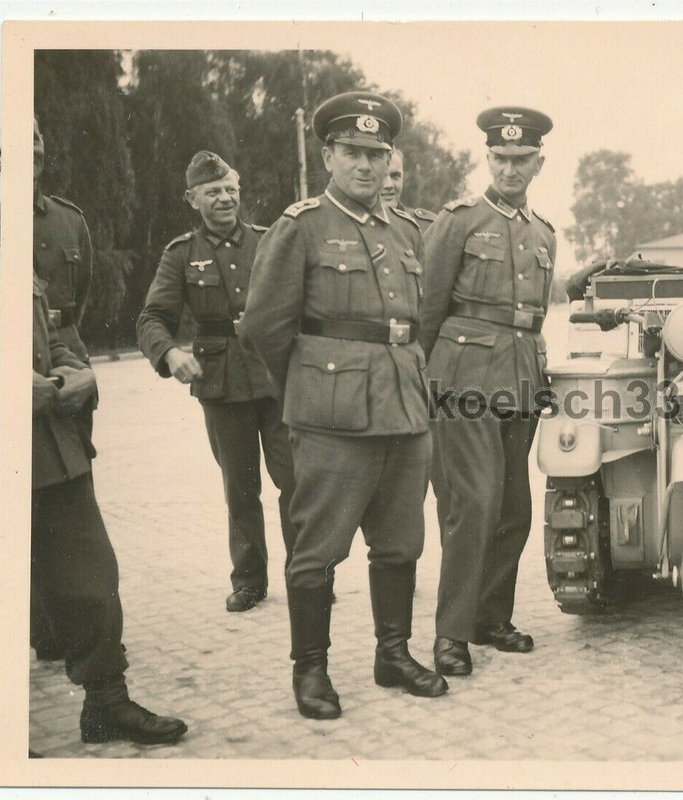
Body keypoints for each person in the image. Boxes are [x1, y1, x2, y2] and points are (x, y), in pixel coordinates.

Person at [241, 91, 448, 719]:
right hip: (331, 419)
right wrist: (312, 389)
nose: (366, 165)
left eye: (377, 153)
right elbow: (263, 331)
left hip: (404, 411)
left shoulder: (406, 230)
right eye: (353, 152)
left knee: (401, 542)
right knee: (318, 549)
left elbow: (418, 323)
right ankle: (311, 672)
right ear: (328, 154)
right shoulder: (300, 226)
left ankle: (393, 653)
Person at [421, 106, 556, 677]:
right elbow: (426, 307)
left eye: (521, 159)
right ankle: (450, 634)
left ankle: (490, 618)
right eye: (500, 157)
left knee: (513, 507)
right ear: (488, 158)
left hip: (522, 372)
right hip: (463, 375)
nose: (509, 167)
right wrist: (419, 381)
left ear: (538, 163)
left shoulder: (543, 231)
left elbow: (535, 312)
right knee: (472, 503)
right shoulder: (458, 220)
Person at [33, 264, 188, 746]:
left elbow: (47, 336)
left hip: (49, 446)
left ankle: (106, 703)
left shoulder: (9, 241)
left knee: (91, 574)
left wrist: (78, 371)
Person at [137, 151, 297, 613]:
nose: (225, 198)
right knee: (240, 487)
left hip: (276, 378)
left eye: (230, 189)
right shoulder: (182, 254)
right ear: (192, 199)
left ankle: (308, 574)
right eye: (213, 192)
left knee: (296, 482)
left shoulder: (271, 241)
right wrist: (169, 352)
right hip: (222, 383)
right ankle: (249, 580)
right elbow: (152, 317)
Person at [31, 115, 97, 661]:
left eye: (33, 136)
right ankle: (40, 624)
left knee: (72, 494)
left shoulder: (68, 221)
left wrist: (74, 366)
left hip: (61, 365)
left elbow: (75, 304)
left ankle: (68, 622)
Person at [379, 147, 448, 536]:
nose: (389, 184)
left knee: (440, 475)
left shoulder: (429, 226)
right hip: (371, 371)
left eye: (397, 176)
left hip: (426, 369)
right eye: (384, 174)